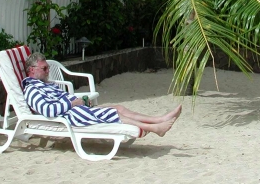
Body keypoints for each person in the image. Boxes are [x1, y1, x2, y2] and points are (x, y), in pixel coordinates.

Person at [22, 53, 181, 137]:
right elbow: (48, 111)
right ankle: (155, 128)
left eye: (47, 67)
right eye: (44, 69)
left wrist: (78, 102)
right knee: (113, 114)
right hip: (70, 117)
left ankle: (159, 119)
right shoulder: (32, 90)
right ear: (31, 70)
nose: (48, 71)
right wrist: (73, 103)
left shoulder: (45, 85)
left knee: (118, 107)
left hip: (76, 111)